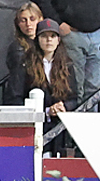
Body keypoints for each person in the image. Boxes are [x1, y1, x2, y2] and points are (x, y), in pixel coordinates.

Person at [15, 19, 78, 148]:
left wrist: (63, 106)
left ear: (58, 40)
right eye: (44, 36)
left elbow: (74, 98)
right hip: (34, 129)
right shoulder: (25, 65)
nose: (49, 40)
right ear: (37, 39)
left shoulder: (67, 65)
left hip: (59, 129)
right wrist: (45, 111)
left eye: (53, 36)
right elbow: (15, 98)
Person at [3, 1, 43, 104]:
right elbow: (17, 83)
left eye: (32, 19)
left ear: (40, 19)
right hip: (24, 98)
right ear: (18, 24)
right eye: (23, 20)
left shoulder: (47, 44)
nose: (28, 24)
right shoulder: (17, 48)